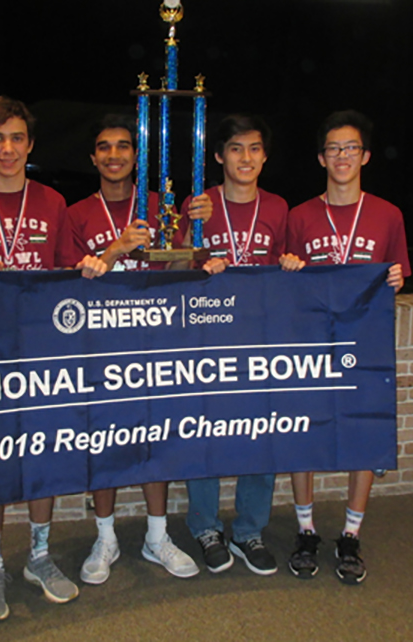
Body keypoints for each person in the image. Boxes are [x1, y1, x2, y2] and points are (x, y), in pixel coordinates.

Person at [0, 96, 105, 623]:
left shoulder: (53, 203)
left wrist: (83, 267)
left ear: (30, 145)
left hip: (44, 355)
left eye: (16, 138)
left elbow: (64, 274)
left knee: (44, 455)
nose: (7, 149)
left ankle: (38, 554)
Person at [64, 114, 208, 584]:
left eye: (123, 146)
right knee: (103, 445)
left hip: (156, 345)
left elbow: (184, 265)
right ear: (93, 157)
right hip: (101, 348)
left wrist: (195, 236)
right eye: (104, 147)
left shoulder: (160, 204)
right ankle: (104, 536)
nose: (114, 155)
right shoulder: (76, 214)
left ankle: (156, 536)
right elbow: (67, 288)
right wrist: (115, 249)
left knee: (157, 442)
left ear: (136, 155)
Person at [279, 109, 410, 584]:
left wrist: (394, 280)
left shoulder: (388, 214)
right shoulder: (300, 215)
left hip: (365, 346)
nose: (342, 156)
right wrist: (288, 268)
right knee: (304, 433)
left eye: (351, 148)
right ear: (320, 157)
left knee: (364, 434)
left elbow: (395, 277)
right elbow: (286, 285)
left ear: (366, 156)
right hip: (310, 347)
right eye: (333, 148)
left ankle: (351, 534)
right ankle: (307, 529)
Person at [179, 114, 289, 576]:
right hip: (207, 340)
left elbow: (290, 270)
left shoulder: (280, 207)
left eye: (255, 149)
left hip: (260, 342)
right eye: (236, 149)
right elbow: (175, 264)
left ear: (264, 156)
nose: (246, 158)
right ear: (220, 155)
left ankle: (248, 530)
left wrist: (291, 263)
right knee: (204, 434)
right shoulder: (198, 203)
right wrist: (190, 235)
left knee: (259, 437)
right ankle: (205, 525)